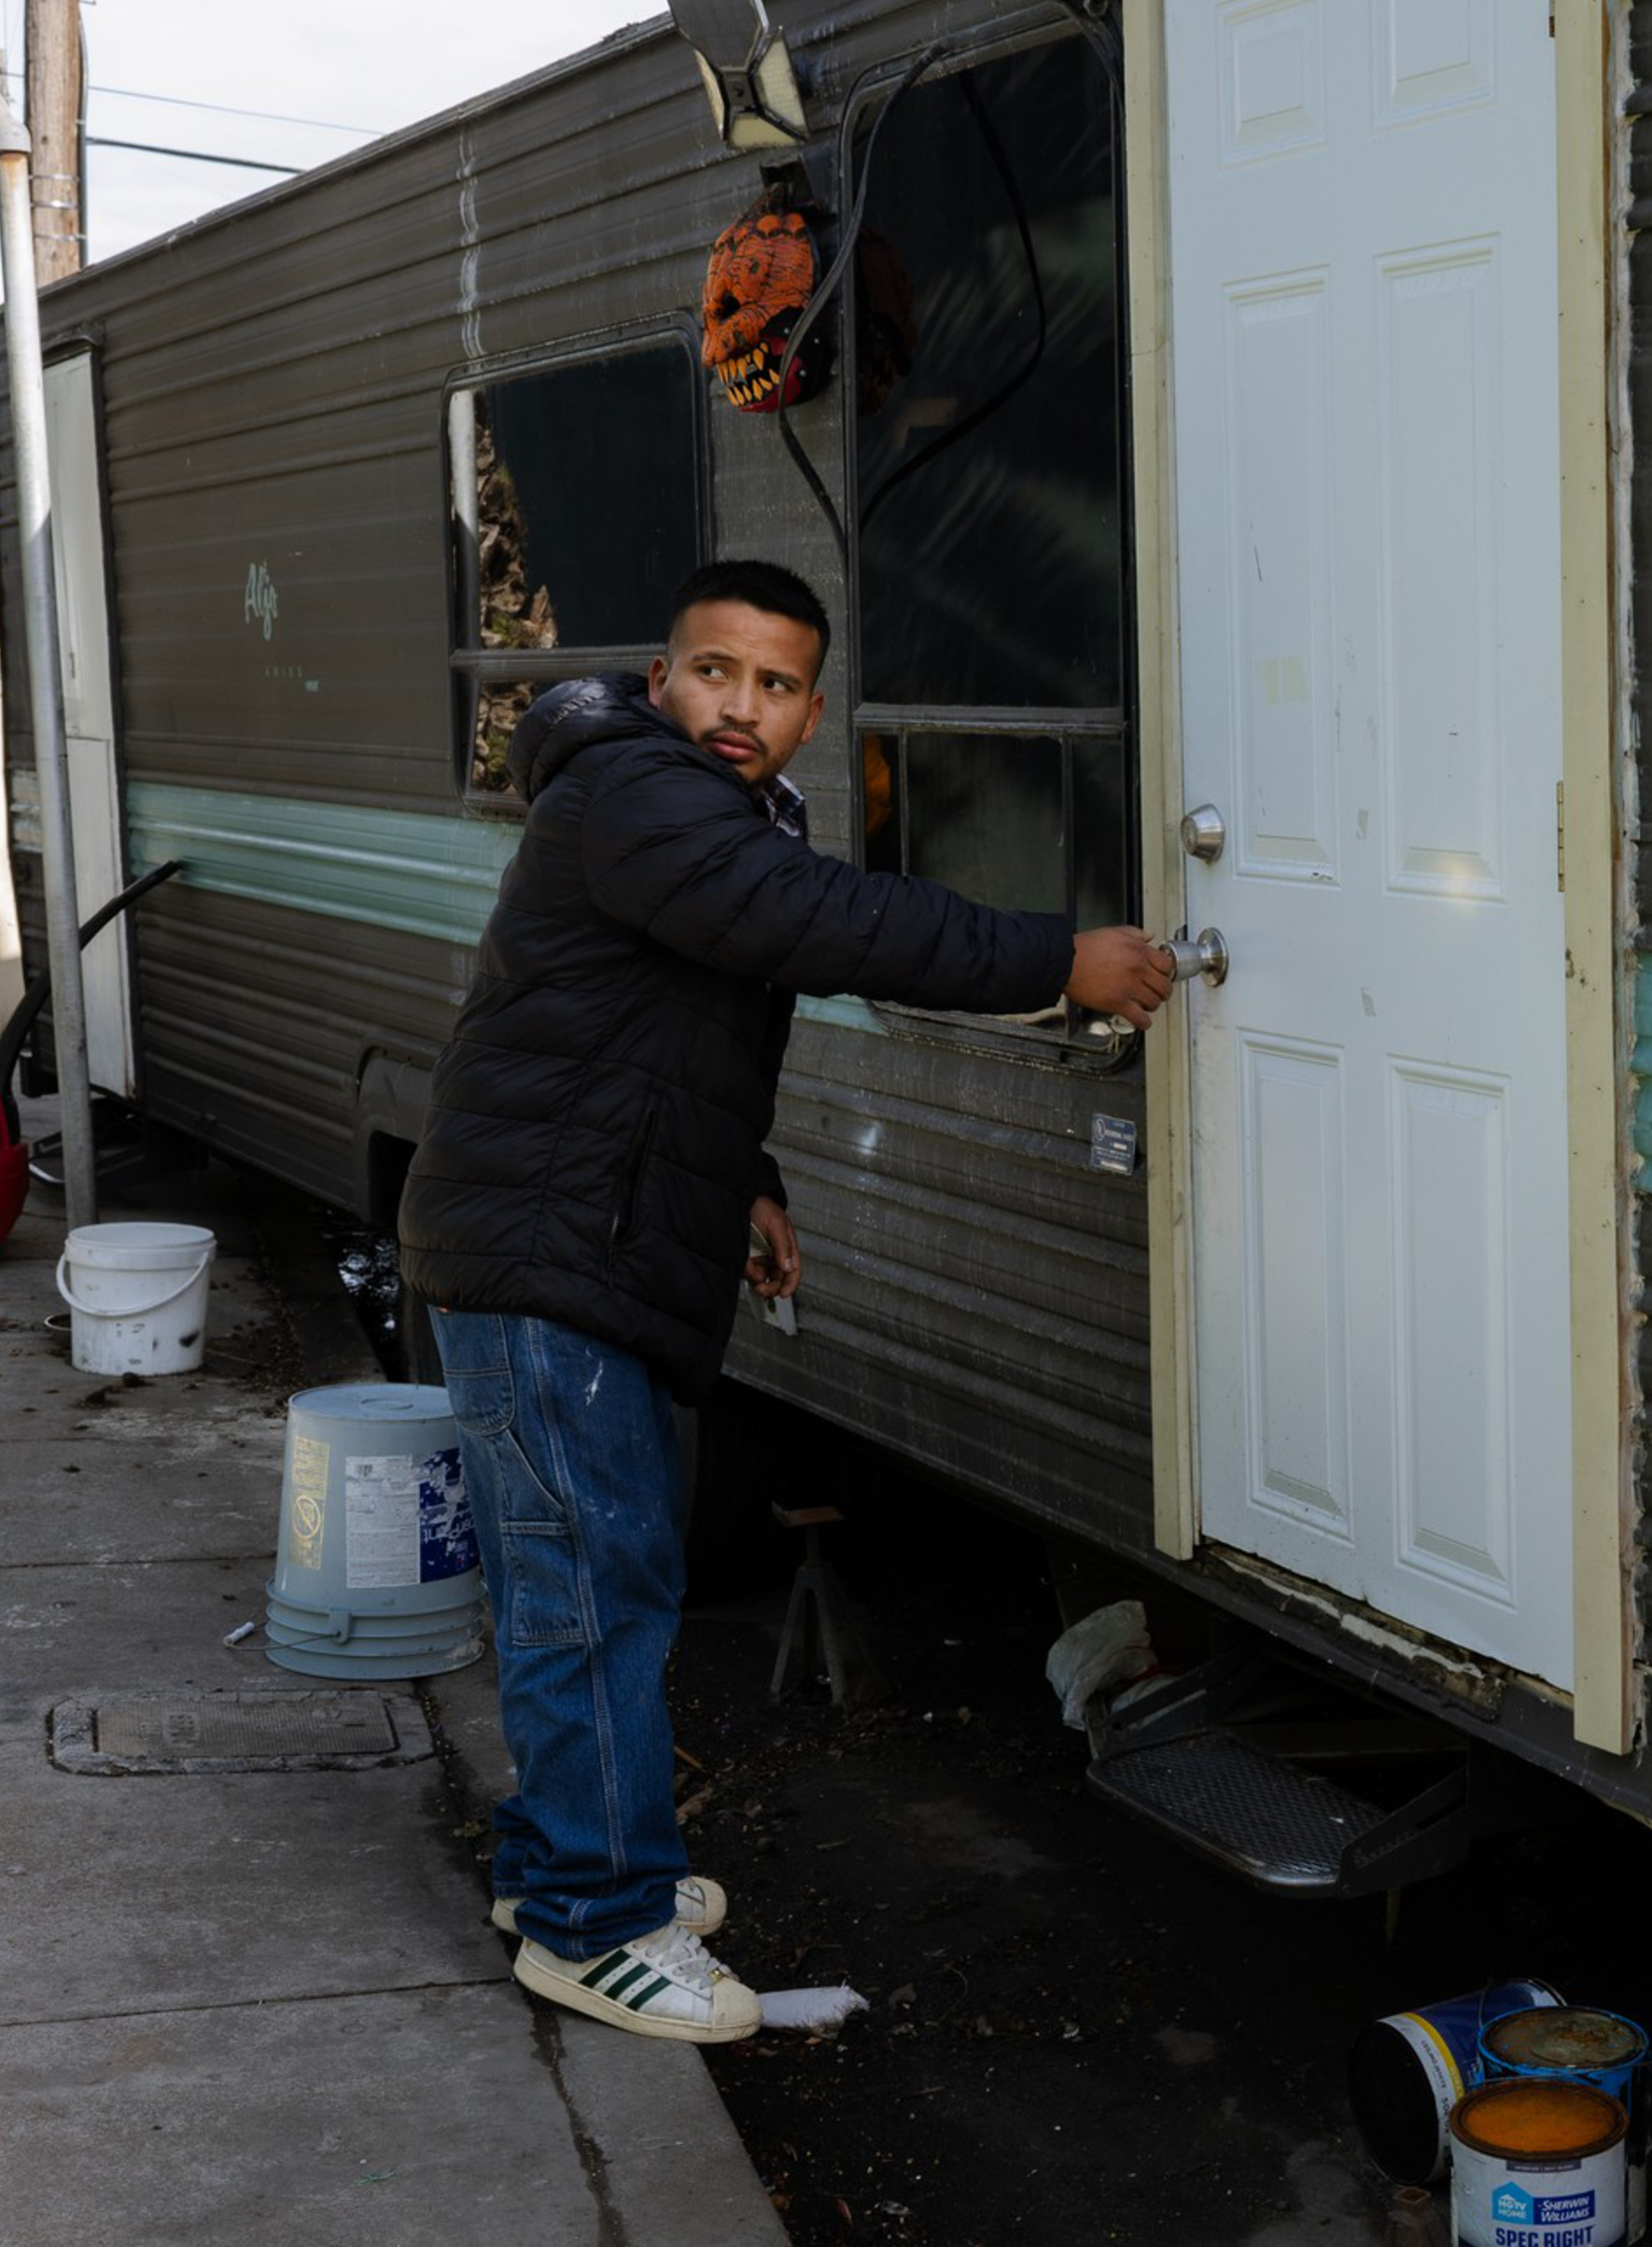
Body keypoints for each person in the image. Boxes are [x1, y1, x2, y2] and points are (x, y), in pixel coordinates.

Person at [398, 558, 1173, 2043]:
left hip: (581, 1228)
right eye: (711, 671)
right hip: (549, 1253)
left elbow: (653, 1020)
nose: (735, 706)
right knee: (589, 1589)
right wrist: (1054, 961)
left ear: (809, 711)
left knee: (597, 1577)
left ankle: (564, 1864)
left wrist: (739, 1173)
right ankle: (590, 1921)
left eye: (770, 684)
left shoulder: (684, 808)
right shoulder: (639, 793)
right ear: (657, 681)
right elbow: (819, 924)